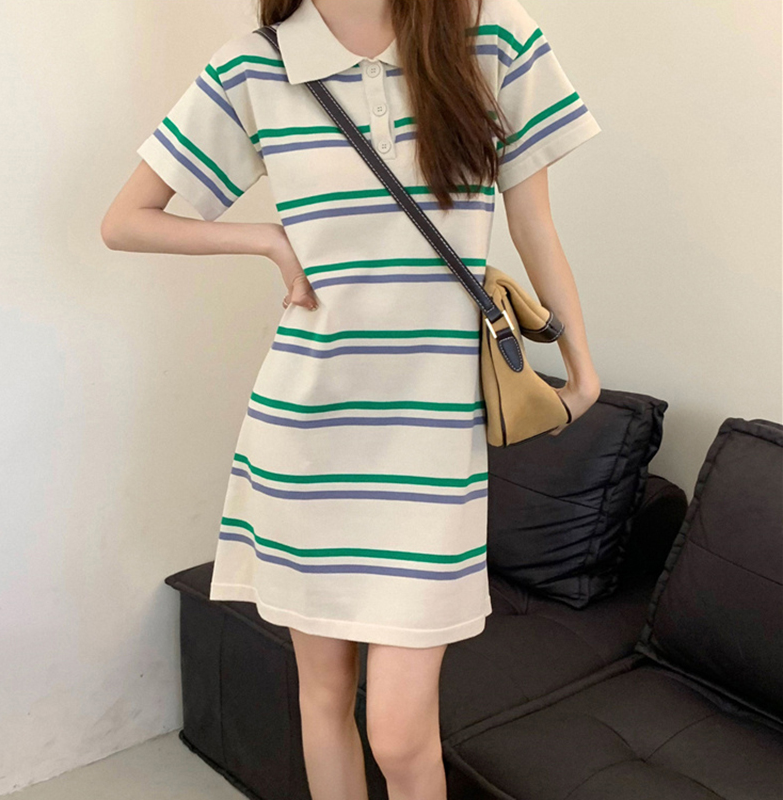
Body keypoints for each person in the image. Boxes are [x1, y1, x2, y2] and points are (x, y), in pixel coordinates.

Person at [101, 0, 602, 797]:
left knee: (401, 737)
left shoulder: (491, 36)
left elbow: (534, 222)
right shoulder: (255, 66)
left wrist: (580, 367)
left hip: (433, 446)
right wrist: (265, 239)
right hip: (305, 439)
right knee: (324, 696)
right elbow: (125, 220)